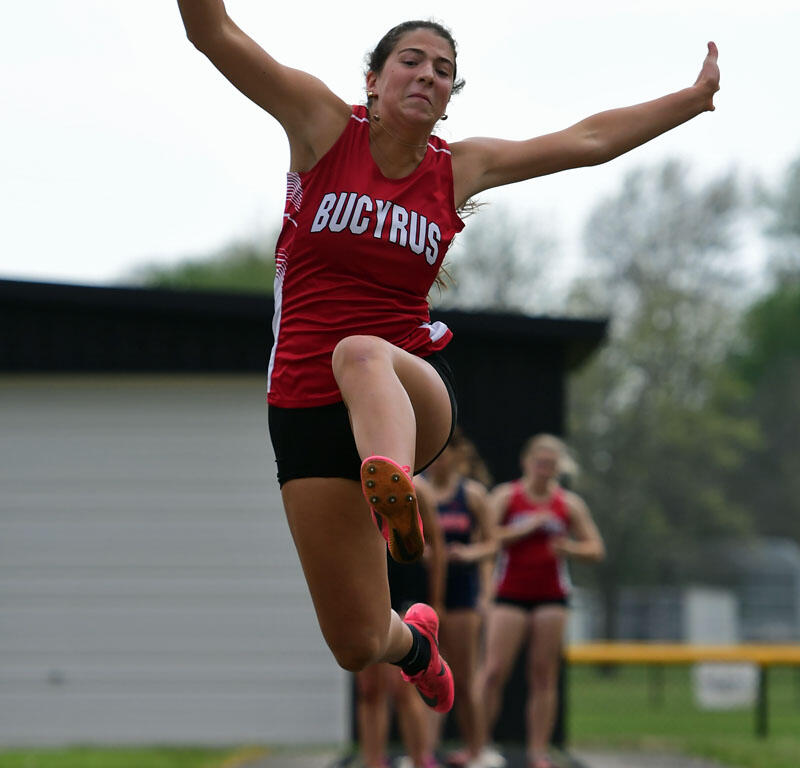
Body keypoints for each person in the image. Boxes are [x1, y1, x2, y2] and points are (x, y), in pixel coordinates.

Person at [175, 0, 719, 725]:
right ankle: (417, 647)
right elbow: (213, 33)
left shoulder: (458, 169)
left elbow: (588, 139)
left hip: (405, 387)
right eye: (412, 60)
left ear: (449, 99)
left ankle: (392, 483)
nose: (428, 75)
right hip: (304, 406)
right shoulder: (321, 125)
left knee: (361, 351)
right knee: (357, 640)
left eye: (444, 71)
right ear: (372, 80)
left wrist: (693, 99)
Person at [475, 435, 605, 768]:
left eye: (552, 464)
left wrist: (569, 548)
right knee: (492, 671)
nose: (545, 470)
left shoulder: (568, 504)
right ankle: (480, 745)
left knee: (543, 675)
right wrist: (524, 530)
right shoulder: (507, 496)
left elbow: (595, 548)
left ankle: (538, 751)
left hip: (551, 596)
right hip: (509, 593)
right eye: (540, 462)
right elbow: (485, 539)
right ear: (526, 462)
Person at [356, 479, 446, 768]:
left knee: (402, 686)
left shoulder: (418, 489)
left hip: (407, 590)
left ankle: (421, 759)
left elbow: (437, 547)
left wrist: (436, 599)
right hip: (371, 589)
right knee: (370, 687)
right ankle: (372, 761)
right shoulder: (353, 486)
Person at [423, 430, 496, 768]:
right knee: (426, 674)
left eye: (444, 453)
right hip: (424, 591)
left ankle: (477, 750)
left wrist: (468, 553)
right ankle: (423, 752)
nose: (438, 461)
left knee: (465, 677)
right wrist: (425, 554)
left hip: (462, 593)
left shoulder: (473, 495)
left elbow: (493, 542)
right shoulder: (417, 491)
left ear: (455, 455)